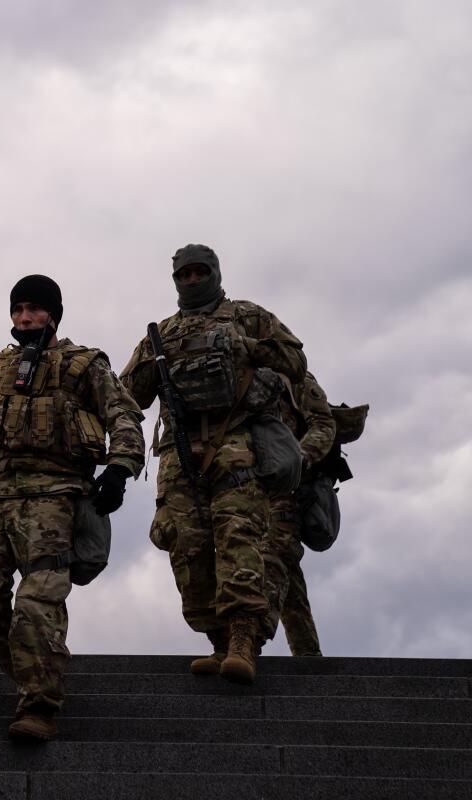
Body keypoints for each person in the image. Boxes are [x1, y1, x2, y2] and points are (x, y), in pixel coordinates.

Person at [0, 274, 145, 741]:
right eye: (17, 309)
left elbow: (124, 414)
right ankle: (36, 673)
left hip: (53, 495)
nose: (24, 317)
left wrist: (119, 469)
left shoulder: (84, 364)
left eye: (33, 308)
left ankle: (38, 704)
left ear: (52, 313)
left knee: (37, 602)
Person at [120, 244, 306, 684]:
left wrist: (247, 346)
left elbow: (295, 361)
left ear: (215, 273)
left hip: (235, 445)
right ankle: (219, 644)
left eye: (200, 272)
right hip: (179, 455)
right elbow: (130, 393)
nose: (192, 281)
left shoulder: (247, 315)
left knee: (238, 539)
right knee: (188, 550)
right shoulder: (160, 334)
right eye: (184, 275)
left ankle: (243, 641)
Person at [263, 371, 335, 655]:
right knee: (288, 579)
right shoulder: (237, 373)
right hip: (249, 490)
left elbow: (324, 424)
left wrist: (299, 460)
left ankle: (249, 640)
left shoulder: (291, 376)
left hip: (288, 492)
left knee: (272, 557)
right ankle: (308, 657)